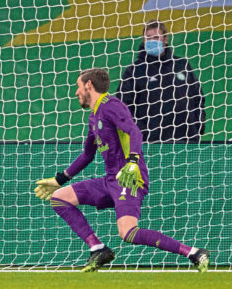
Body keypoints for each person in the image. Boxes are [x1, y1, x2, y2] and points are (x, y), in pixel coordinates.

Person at [34, 68, 210, 272]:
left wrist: (133, 162)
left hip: (129, 178)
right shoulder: (94, 116)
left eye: (78, 86)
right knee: (59, 198)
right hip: (110, 180)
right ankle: (97, 249)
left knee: (128, 233)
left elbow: (134, 131)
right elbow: (87, 155)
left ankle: (194, 253)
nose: (76, 92)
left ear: (89, 85)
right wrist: (59, 179)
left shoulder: (112, 106)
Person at [116, 19, 205, 143]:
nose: (152, 41)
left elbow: (198, 98)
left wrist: (197, 127)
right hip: (151, 144)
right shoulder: (134, 71)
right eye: (148, 38)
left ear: (165, 39)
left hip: (187, 140)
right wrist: (142, 133)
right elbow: (123, 107)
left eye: (156, 37)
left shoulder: (182, 65)